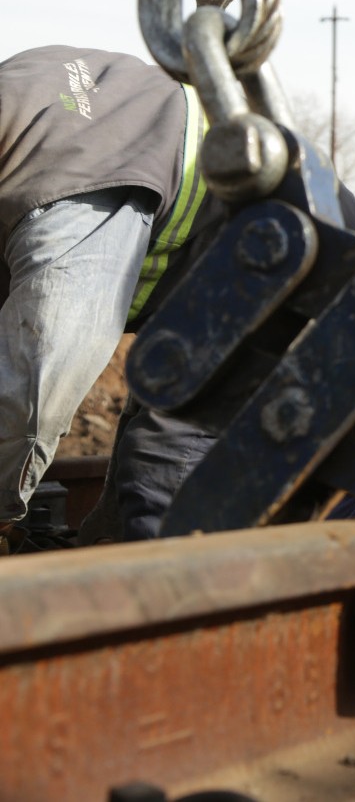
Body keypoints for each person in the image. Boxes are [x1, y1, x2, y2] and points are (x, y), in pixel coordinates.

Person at [0, 46, 221, 550]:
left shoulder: (65, 198)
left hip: (283, 275)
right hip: (209, 267)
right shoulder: (22, 82)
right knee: (121, 519)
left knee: (169, 458)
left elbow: (38, 381)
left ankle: (159, 616)